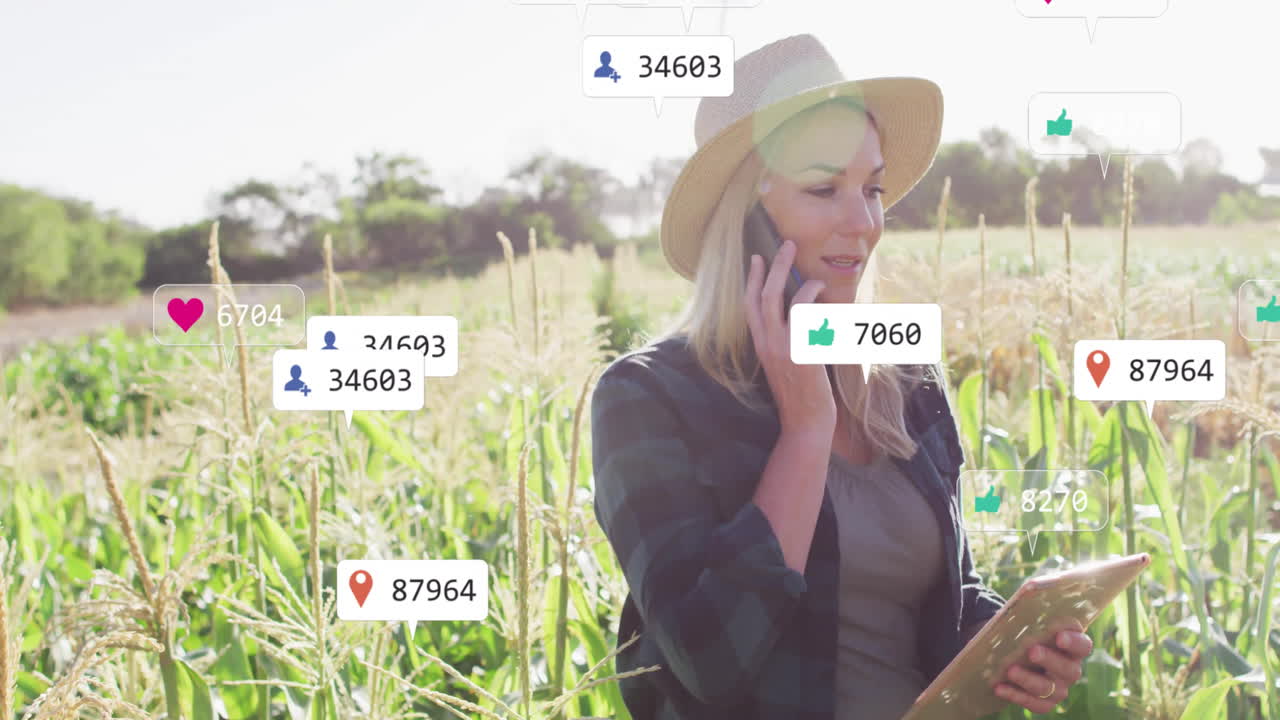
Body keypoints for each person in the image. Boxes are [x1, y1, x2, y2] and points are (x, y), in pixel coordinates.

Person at [590, 34, 1092, 720]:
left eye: (873, 188)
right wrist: (805, 431)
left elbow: (944, 592)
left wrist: (1007, 642)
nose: (864, 223)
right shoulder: (647, 398)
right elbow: (708, 659)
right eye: (825, 188)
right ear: (746, 223)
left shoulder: (904, 378)